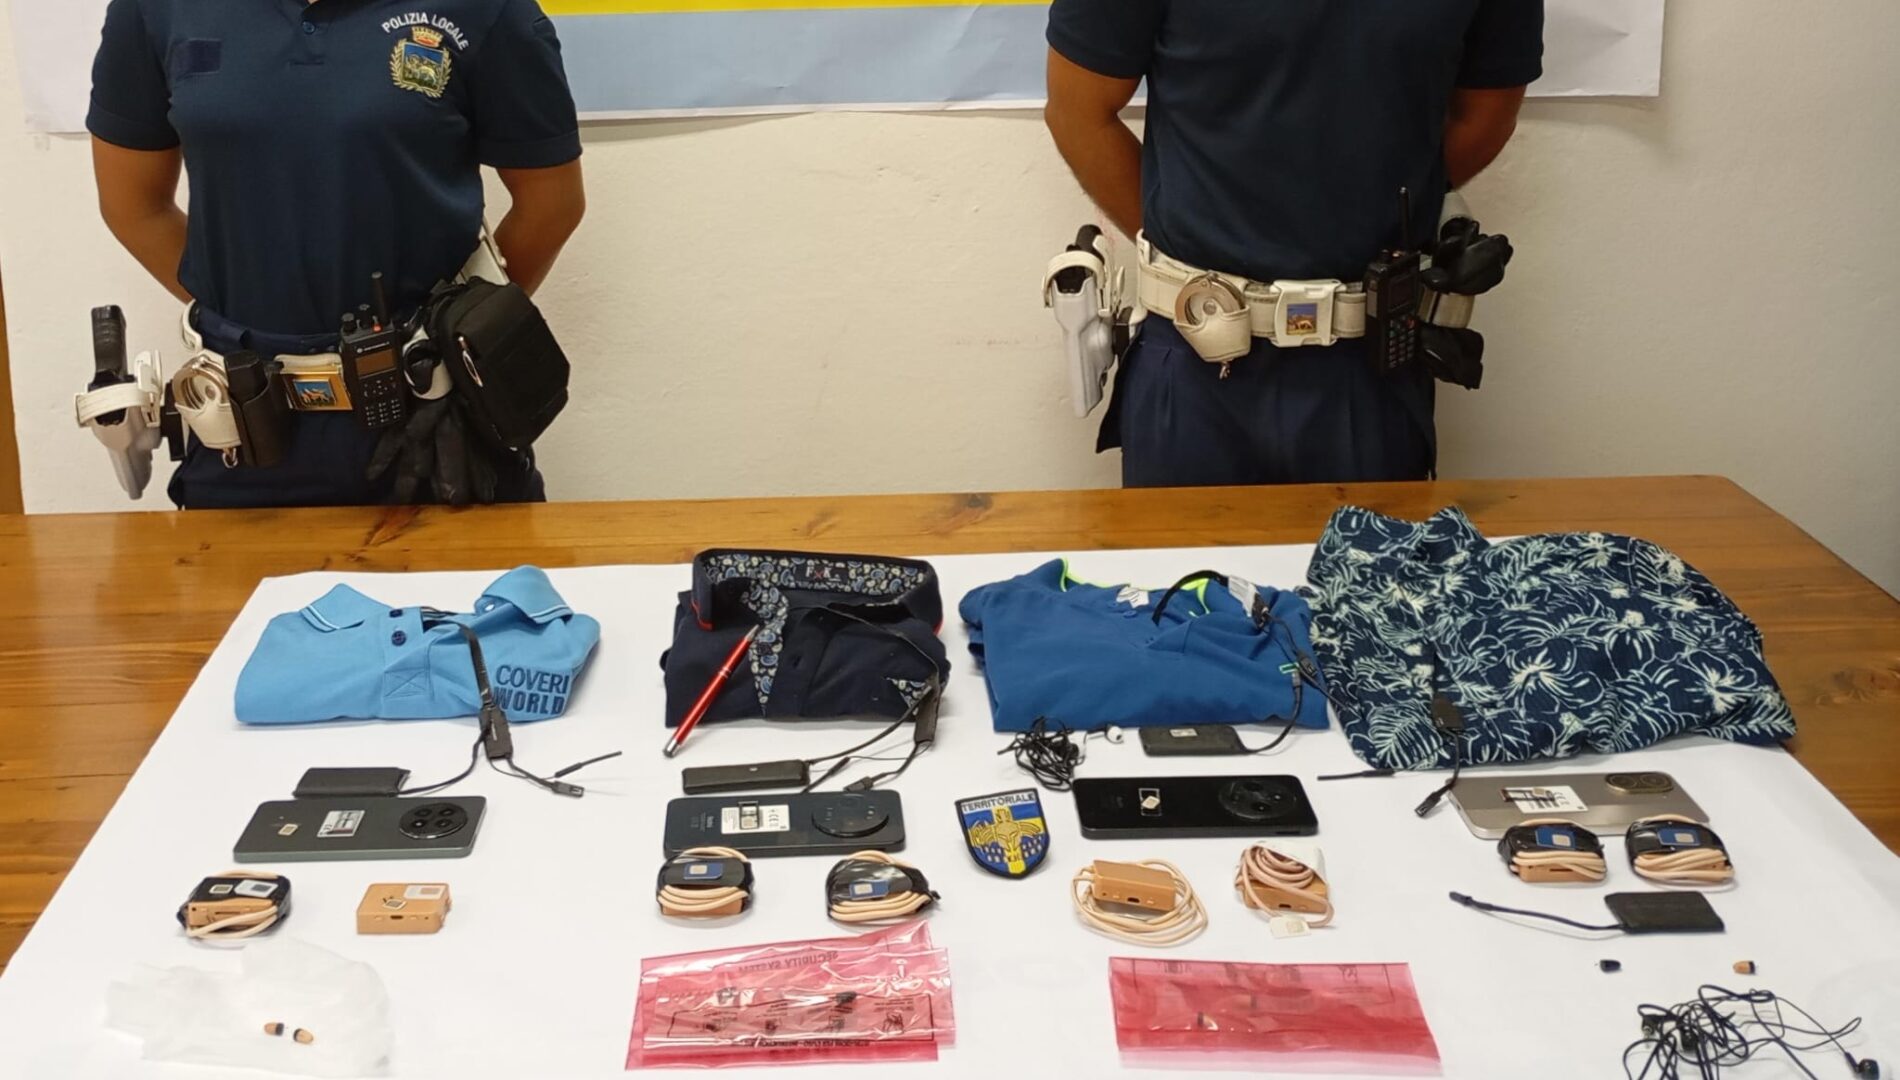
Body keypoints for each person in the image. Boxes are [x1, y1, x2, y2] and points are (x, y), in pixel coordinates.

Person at [87, 0, 586, 508]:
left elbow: (551, 205)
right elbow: (135, 207)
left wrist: (466, 331)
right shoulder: (155, 9)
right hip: (246, 426)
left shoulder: (488, 9)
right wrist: (244, 314)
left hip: (435, 423)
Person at [1044, 2, 1543, 487]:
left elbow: (1484, 116)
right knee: (1181, 551)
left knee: (1377, 548)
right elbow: (1079, 112)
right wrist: (1191, 255)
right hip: (1196, 358)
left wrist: (1378, 214)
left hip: (1369, 364)